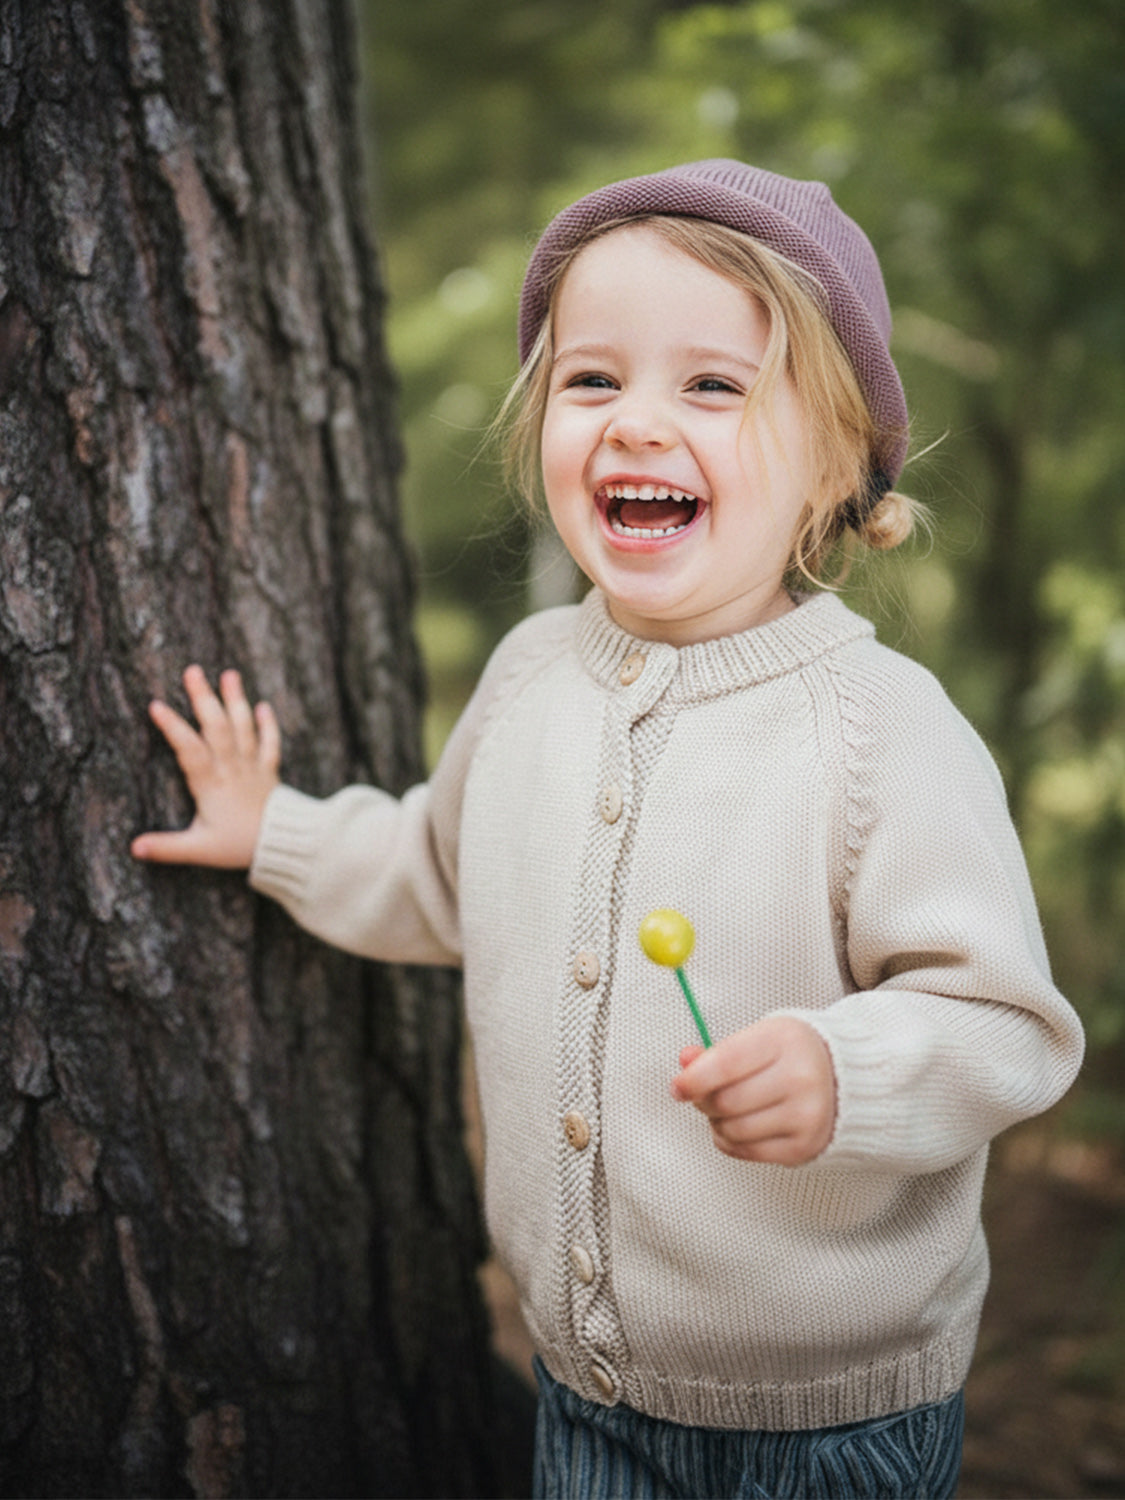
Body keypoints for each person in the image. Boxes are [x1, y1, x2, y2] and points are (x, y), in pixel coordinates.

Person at [131, 160, 1085, 1499]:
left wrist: (842, 1069)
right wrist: (274, 831)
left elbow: (1007, 1026)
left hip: (829, 1421)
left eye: (710, 384)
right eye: (592, 381)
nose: (636, 423)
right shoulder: (529, 677)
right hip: (583, 1393)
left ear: (830, 455)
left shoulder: (877, 725)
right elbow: (435, 875)